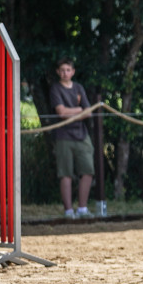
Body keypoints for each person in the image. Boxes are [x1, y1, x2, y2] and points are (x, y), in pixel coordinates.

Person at [50, 57, 96, 219]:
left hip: (81, 135)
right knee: (66, 173)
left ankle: (82, 208)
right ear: (58, 72)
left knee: (88, 170)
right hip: (63, 136)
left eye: (68, 70)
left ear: (73, 72)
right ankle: (68, 211)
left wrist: (73, 112)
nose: (65, 73)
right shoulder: (55, 89)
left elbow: (89, 111)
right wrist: (79, 110)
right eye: (62, 70)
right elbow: (61, 113)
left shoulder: (78, 87)